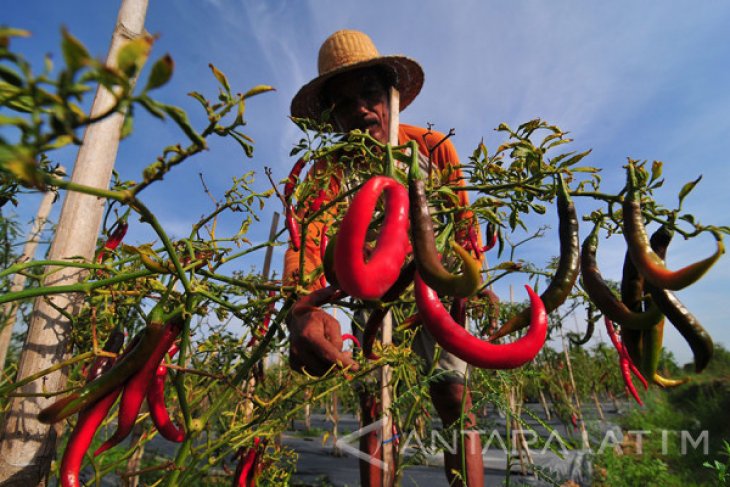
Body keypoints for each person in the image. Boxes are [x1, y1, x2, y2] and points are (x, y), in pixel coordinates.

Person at [284, 30, 484, 486]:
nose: (360, 109)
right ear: (332, 118)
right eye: (343, 102)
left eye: (370, 93)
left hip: (436, 287)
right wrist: (302, 305)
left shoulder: (432, 148)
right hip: (371, 294)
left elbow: (464, 221)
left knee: (453, 393)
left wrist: (472, 284)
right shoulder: (327, 173)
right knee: (374, 403)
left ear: (392, 97)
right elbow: (306, 244)